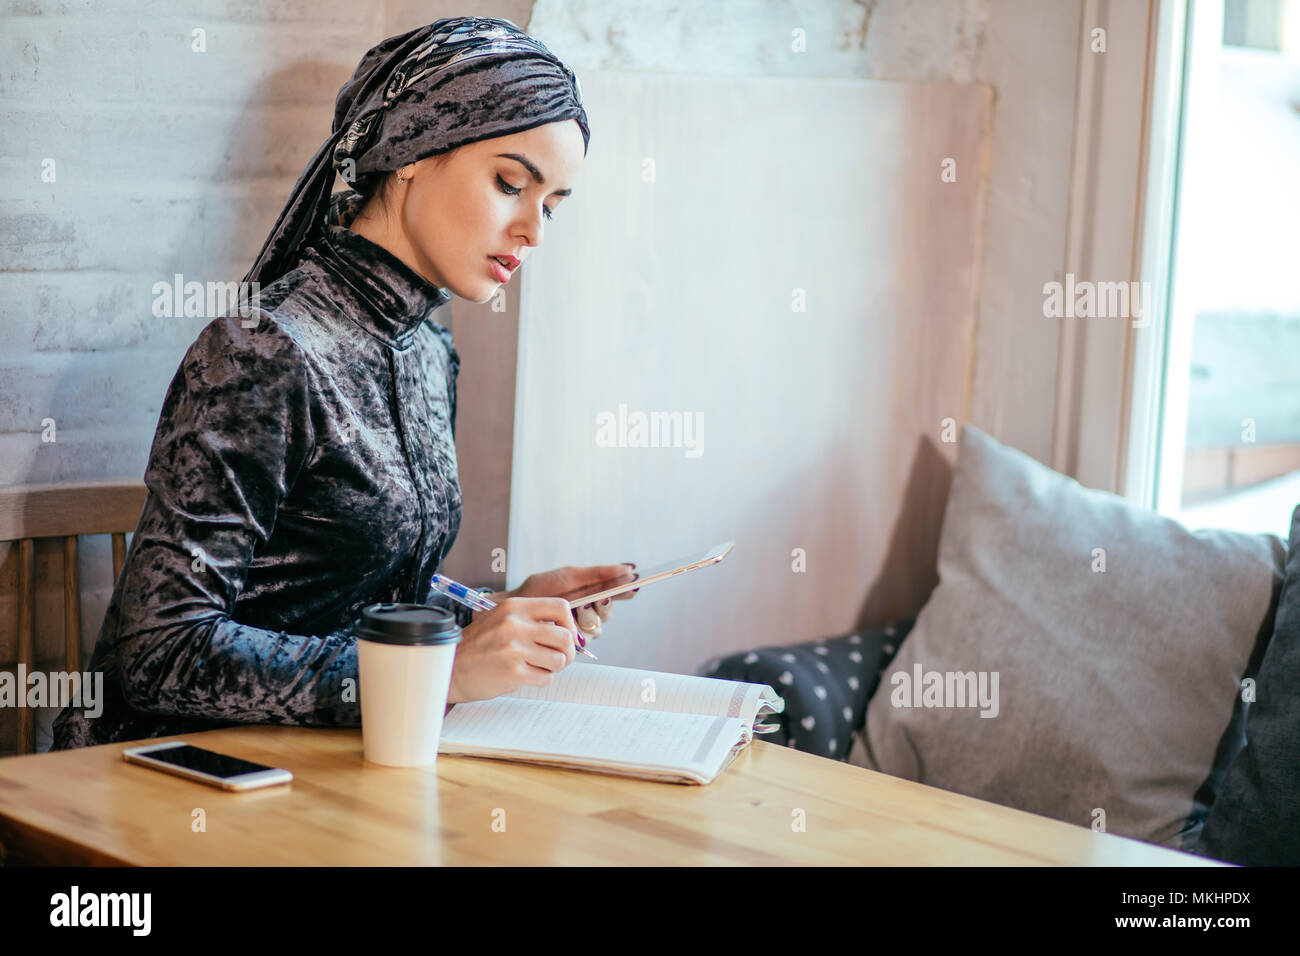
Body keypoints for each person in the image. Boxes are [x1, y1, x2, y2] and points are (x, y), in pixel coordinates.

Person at [51, 16, 635, 750]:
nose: (534, 231)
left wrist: (492, 613)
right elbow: (157, 655)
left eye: (551, 204)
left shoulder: (427, 348)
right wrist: (442, 670)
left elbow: (349, 589)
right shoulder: (263, 351)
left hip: (335, 761)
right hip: (181, 776)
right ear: (412, 150)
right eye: (510, 183)